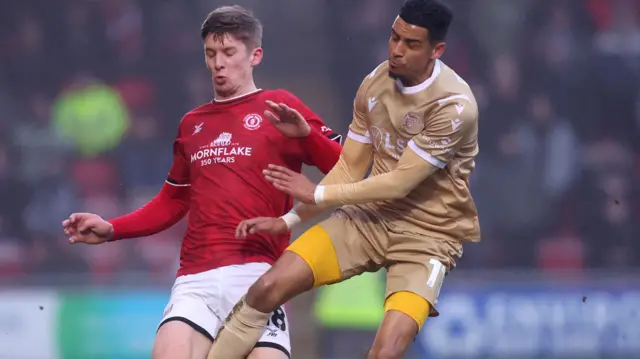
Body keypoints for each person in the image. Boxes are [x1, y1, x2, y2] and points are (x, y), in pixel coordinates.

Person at [61, 6, 342, 359]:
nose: (218, 64)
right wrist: (112, 228)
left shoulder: (280, 106)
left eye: (228, 53)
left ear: (255, 55)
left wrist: (307, 135)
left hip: (259, 275)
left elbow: (346, 170)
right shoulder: (192, 125)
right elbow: (173, 201)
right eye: (210, 54)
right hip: (197, 278)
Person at [206, 1, 480, 359]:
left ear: (436, 51)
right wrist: (290, 219)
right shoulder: (374, 84)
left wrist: (318, 194)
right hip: (366, 220)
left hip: (426, 236)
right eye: (394, 38)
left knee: (386, 350)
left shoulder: (455, 106)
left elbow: (399, 183)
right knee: (266, 288)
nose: (396, 51)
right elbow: (350, 166)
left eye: (411, 44)